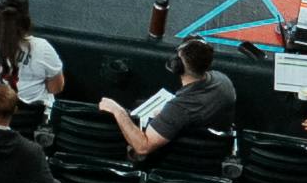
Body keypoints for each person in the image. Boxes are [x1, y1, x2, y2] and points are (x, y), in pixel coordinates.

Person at [102, 41, 238, 162]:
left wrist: (117, 111)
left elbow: (143, 147)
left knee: (133, 147)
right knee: (140, 104)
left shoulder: (179, 109)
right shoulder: (223, 80)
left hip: (187, 155)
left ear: (177, 65)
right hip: (211, 146)